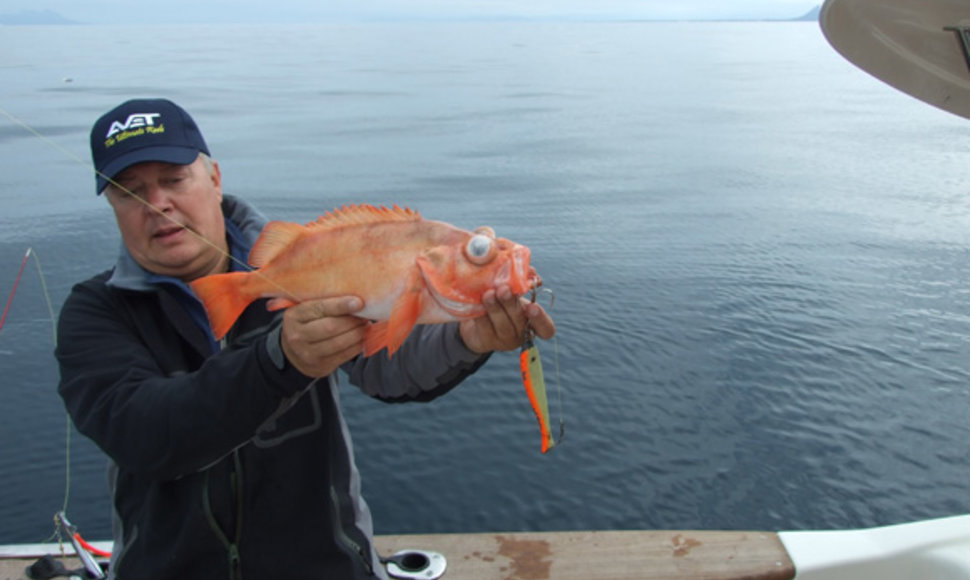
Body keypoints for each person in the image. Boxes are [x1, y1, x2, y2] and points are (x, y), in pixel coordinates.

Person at [55, 98, 555, 580]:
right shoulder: (96, 312)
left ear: (213, 178)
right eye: (129, 190)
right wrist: (279, 361)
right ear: (112, 204)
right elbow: (144, 436)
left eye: (173, 179)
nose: (157, 203)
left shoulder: (300, 263)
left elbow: (388, 367)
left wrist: (468, 337)